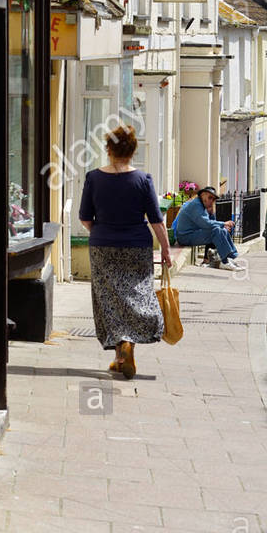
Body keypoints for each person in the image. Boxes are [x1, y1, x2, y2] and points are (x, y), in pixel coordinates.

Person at [78, 125, 171, 380]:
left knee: (109, 300)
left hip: (103, 246)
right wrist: (165, 248)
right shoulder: (142, 180)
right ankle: (126, 350)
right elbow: (156, 219)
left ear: (109, 149)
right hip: (137, 247)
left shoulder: (94, 178)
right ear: (132, 151)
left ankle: (121, 352)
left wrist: (102, 230)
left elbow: (85, 218)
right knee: (137, 295)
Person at [173, 186, 240, 270]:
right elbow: (206, 224)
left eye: (213, 199)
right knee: (216, 231)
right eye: (210, 197)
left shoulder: (201, 205)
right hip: (185, 237)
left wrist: (212, 214)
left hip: (191, 234)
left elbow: (211, 223)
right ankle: (225, 261)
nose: (211, 201)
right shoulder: (196, 205)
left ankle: (229, 258)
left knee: (220, 230)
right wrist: (223, 223)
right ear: (203, 195)